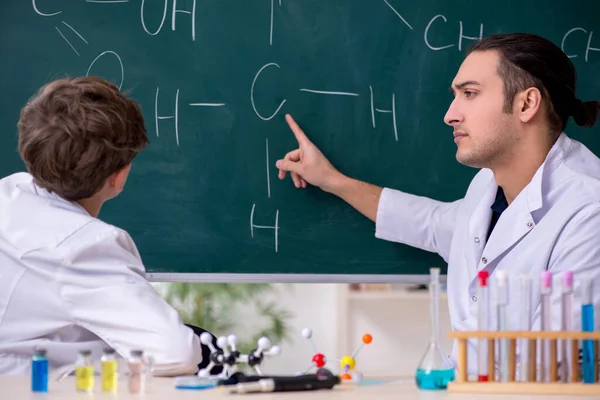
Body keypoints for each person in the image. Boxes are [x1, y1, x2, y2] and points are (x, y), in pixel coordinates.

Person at [275, 33, 600, 375]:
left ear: (526, 104)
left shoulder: (587, 211)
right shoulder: (488, 187)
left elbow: (559, 369)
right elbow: (429, 223)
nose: (450, 115)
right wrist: (332, 180)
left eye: (470, 94)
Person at [0, 76, 219, 376]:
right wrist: (93, 364)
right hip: (25, 387)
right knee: (206, 350)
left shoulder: (7, 192)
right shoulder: (84, 247)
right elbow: (175, 353)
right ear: (118, 177)